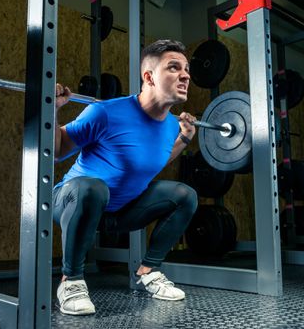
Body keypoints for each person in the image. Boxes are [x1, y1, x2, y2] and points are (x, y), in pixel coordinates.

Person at [53, 39, 198, 316]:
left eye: (187, 69)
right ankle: (70, 281)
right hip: (73, 201)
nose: (186, 75)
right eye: (174, 67)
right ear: (149, 77)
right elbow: (58, 150)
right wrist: (52, 109)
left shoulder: (170, 125)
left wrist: (183, 140)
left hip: (119, 212)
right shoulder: (105, 112)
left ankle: (149, 271)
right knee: (93, 188)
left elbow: (150, 163)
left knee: (185, 196)